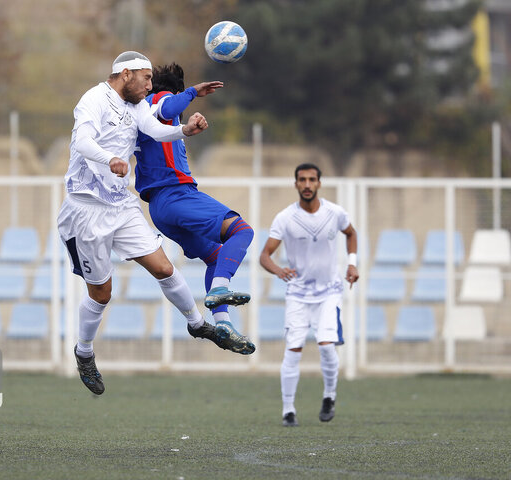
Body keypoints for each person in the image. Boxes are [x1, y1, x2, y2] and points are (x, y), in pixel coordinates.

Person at [58, 51, 251, 396]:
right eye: (145, 78)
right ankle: (84, 352)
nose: (150, 84)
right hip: (85, 211)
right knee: (102, 294)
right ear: (126, 73)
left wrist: (185, 130)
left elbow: (155, 130)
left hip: (121, 206)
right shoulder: (94, 98)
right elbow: (82, 142)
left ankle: (198, 325)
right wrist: (112, 158)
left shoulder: (137, 106)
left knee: (164, 268)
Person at [134, 63, 255, 353]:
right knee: (242, 231)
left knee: (215, 257)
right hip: (176, 195)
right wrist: (192, 92)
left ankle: (223, 322)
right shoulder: (157, 101)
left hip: (161, 210)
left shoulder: (148, 118)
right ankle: (219, 289)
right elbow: (166, 106)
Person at [259, 163, 359, 427]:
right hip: (298, 294)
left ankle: (329, 396)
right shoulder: (285, 218)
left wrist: (352, 262)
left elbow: (351, 233)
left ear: (319, 183)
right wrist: (279, 271)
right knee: (293, 350)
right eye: (302, 180)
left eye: (311, 180)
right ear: (295, 184)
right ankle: (288, 410)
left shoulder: (335, 213)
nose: (306, 184)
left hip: (329, 292)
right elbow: (264, 255)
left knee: (327, 346)